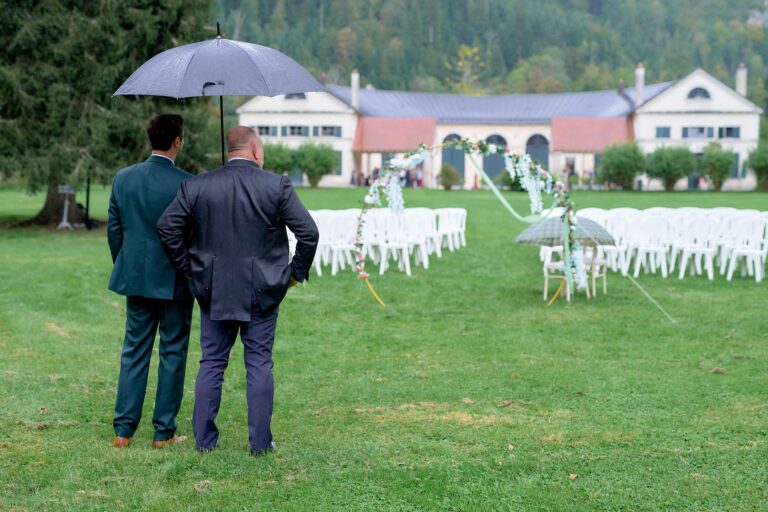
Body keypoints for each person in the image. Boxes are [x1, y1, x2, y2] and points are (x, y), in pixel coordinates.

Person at [157, 126, 319, 455]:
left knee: (212, 363)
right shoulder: (276, 185)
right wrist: (294, 274)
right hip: (262, 288)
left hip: (214, 287)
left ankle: (204, 441)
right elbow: (309, 233)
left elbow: (166, 227)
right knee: (259, 363)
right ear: (256, 150)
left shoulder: (197, 185)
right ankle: (260, 443)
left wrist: (189, 269)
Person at [107, 114, 194, 449]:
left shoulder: (124, 178)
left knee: (134, 351)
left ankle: (123, 431)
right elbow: (193, 235)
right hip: (175, 280)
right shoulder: (188, 182)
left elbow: (115, 229)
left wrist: (129, 265)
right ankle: (163, 433)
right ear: (177, 141)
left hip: (137, 277)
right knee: (173, 352)